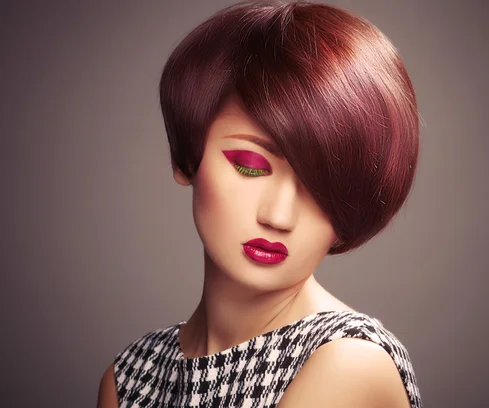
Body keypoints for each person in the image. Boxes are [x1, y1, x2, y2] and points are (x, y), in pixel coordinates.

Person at [97, 1, 422, 407]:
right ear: (186, 157)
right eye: (251, 166)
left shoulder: (349, 364)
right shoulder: (130, 377)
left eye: (320, 187)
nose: (279, 216)